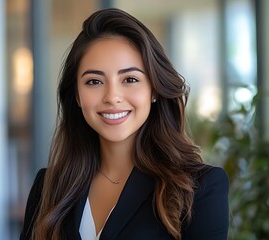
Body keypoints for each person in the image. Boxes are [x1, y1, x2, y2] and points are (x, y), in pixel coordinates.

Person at [20, 8, 229, 240]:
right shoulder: (47, 188)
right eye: (94, 81)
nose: (112, 96)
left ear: (154, 90)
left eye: (130, 79)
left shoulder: (199, 188)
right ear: (77, 96)